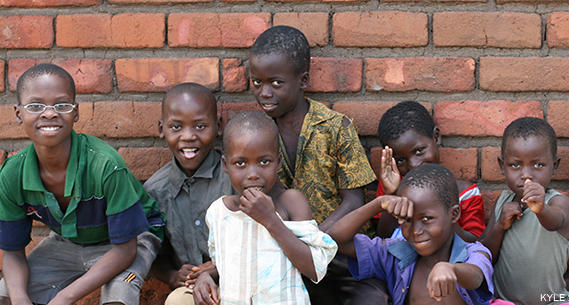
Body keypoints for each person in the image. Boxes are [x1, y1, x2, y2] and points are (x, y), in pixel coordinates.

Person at [0, 63, 165, 305]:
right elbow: (13, 252)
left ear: (76, 112)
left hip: (132, 238)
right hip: (70, 241)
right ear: (18, 113)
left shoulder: (105, 165)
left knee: (118, 296)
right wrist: (20, 299)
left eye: (61, 105)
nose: (48, 113)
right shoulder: (12, 175)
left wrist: (65, 297)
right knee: (5, 293)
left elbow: (126, 250)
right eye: (35, 106)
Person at [249, 25, 387, 304]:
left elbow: (354, 201)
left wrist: (314, 241)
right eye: (256, 82)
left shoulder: (337, 127)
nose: (264, 92)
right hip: (284, 259)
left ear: (303, 80)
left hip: (342, 258)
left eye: (276, 83)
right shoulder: (255, 134)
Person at [192, 111, 337, 305]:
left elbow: (315, 268)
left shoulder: (291, 202)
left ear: (278, 162)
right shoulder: (218, 212)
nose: (253, 174)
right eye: (240, 163)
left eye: (264, 162)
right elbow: (226, 263)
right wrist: (206, 276)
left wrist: (270, 220)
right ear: (226, 165)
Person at [328, 163, 494, 305]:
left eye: (427, 218)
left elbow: (476, 276)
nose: (416, 231)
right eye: (407, 220)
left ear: (454, 214)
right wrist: (378, 204)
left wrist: (451, 269)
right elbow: (336, 240)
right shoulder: (394, 255)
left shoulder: (473, 253)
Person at [144, 83, 234, 305]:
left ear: (219, 126)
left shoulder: (235, 176)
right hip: (193, 292)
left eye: (200, 126)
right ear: (161, 129)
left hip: (242, 279)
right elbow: (156, 255)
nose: (188, 136)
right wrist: (173, 276)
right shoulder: (155, 191)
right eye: (176, 127)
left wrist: (215, 269)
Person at [478, 117, 569, 305]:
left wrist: (541, 209)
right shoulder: (502, 202)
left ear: (554, 166)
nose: (526, 175)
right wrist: (500, 227)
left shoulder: (559, 202)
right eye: (515, 165)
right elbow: (485, 254)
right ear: (502, 166)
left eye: (538, 165)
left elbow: (556, 221)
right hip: (505, 302)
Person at [375, 101, 485, 242]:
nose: (414, 165)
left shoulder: (465, 193)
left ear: (436, 137)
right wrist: (392, 194)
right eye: (401, 160)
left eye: (419, 151)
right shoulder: (392, 186)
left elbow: (476, 242)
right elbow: (384, 237)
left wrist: (443, 215)